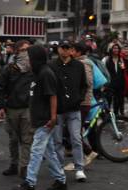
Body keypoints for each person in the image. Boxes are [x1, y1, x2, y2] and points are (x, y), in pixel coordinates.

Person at [13, 45, 65, 190]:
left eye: (29, 57)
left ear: (35, 58)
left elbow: (52, 96)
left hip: (46, 120)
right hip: (41, 119)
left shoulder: (45, 73)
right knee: (49, 152)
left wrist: (53, 117)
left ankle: (29, 183)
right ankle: (61, 180)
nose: (27, 60)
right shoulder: (37, 72)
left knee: (36, 151)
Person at [49, 40, 88, 182]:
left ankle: (79, 168)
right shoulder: (51, 65)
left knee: (76, 138)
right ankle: (59, 167)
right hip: (57, 108)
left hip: (73, 107)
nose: (65, 51)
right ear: (58, 49)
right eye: (62, 48)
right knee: (57, 140)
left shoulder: (78, 66)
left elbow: (84, 85)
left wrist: (79, 98)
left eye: (67, 48)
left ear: (71, 50)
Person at [0, 40, 33, 178]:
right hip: (12, 108)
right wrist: (0, 107)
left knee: (27, 139)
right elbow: (0, 88)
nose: (26, 53)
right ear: (17, 52)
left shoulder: (34, 70)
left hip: (28, 109)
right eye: (23, 50)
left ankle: (24, 167)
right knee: (13, 139)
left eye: (28, 50)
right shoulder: (9, 69)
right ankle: (14, 164)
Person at [104, 43, 126, 117]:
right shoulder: (107, 59)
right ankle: (107, 115)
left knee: (117, 100)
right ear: (111, 50)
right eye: (114, 48)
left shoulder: (121, 59)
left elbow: (123, 70)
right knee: (109, 99)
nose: (116, 50)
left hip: (119, 84)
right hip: (110, 83)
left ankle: (116, 115)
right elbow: (104, 71)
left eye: (117, 48)